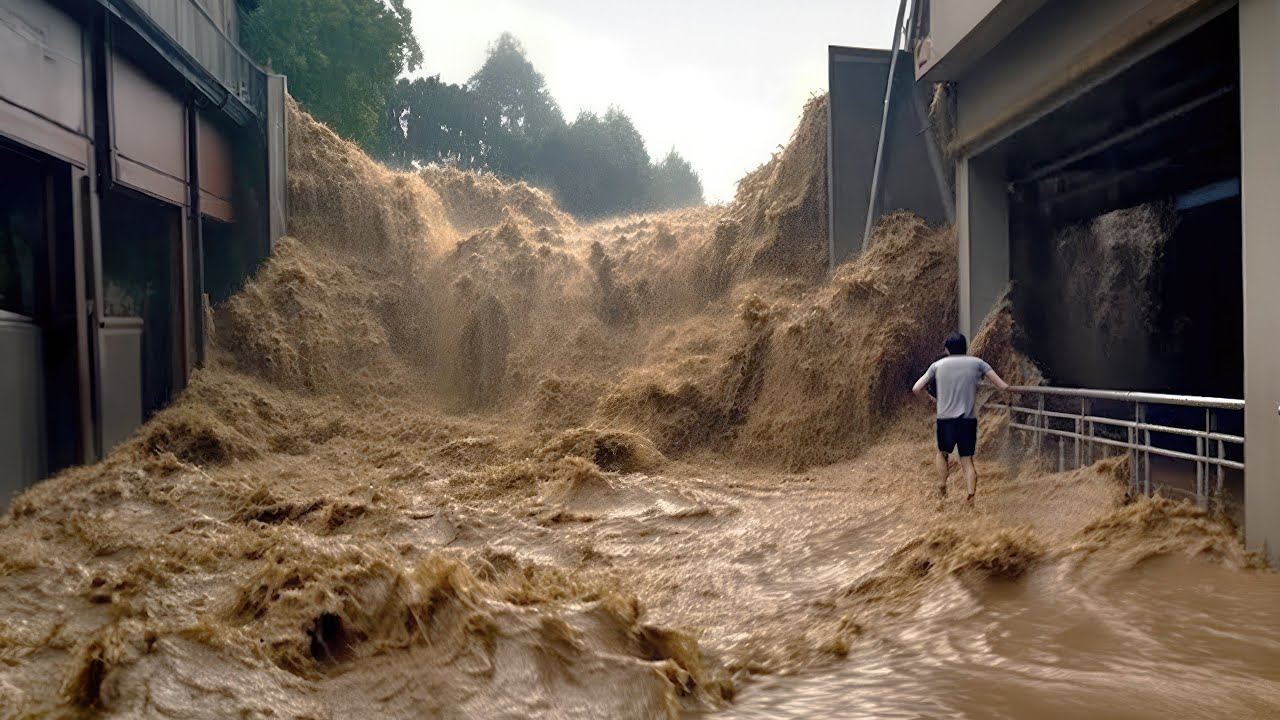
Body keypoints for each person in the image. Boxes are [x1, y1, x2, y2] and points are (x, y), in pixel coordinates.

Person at [911, 333, 1009, 505]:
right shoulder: (978, 363)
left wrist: (932, 400)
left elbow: (916, 388)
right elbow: (1002, 386)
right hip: (967, 420)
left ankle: (942, 484)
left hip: (945, 420)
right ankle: (970, 497)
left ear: (947, 349)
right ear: (965, 347)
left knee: (942, 453)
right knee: (967, 460)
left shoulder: (937, 365)